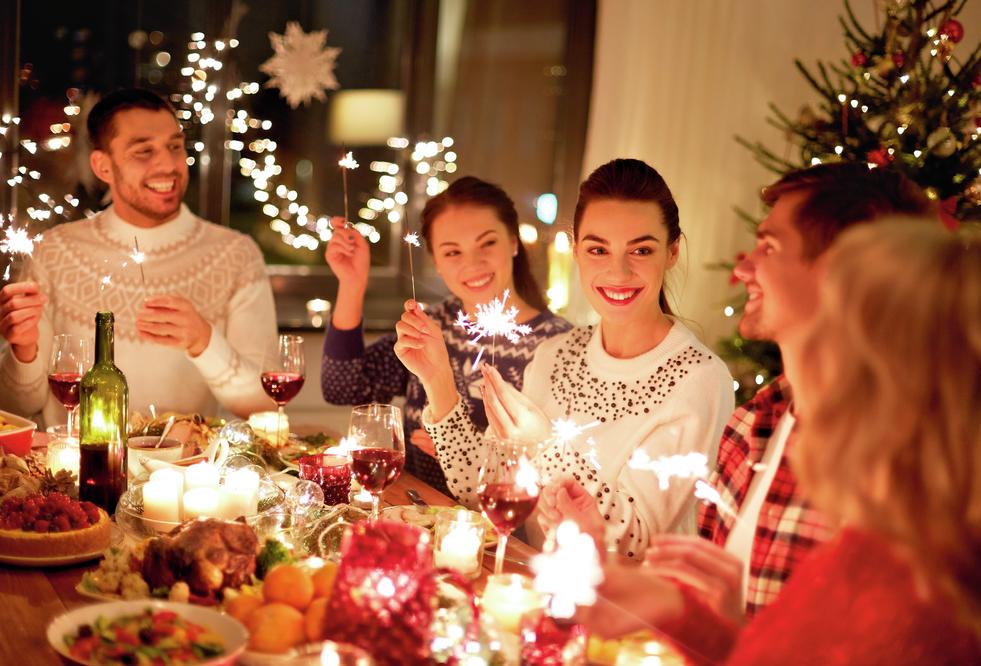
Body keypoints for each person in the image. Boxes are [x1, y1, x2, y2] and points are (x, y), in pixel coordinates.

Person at [586, 221, 981, 665]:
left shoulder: (905, 599)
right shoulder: (884, 541)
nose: (802, 364)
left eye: (825, 331)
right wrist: (679, 612)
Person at [542, 162, 935, 618]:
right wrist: (598, 545)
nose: (744, 266)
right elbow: (722, 626)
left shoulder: (907, 463)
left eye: (769, 246)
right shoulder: (753, 427)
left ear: (843, 271)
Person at [397, 158, 735, 557]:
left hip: (620, 610)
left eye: (641, 249)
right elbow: (481, 492)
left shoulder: (698, 378)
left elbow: (634, 545)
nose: (618, 271)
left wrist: (544, 447)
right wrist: (439, 383)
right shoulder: (556, 352)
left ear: (673, 251)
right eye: (598, 249)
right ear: (576, 249)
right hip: (535, 589)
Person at [0, 88, 277, 423]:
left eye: (175, 147)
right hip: (72, 471)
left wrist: (204, 342)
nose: (168, 165)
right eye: (143, 151)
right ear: (103, 166)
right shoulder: (53, 252)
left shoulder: (235, 254)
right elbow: (16, 409)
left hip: (186, 471)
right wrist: (24, 351)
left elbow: (264, 404)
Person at [320, 176, 571, 495]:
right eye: (452, 252)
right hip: (413, 513)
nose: (473, 263)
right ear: (436, 262)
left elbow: (555, 473)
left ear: (513, 242)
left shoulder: (559, 346)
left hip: (496, 533)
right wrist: (352, 283)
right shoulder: (431, 325)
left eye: (488, 243)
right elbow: (342, 387)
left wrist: (460, 450)